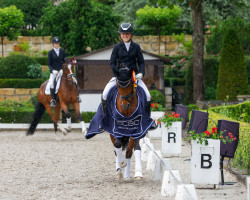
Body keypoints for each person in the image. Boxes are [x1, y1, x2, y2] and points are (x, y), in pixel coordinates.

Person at [102, 23, 151, 115]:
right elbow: (112, 62)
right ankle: (105, 118)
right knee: (104, 94)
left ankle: (147, 120)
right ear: (120, 34)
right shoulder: (117, 47)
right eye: (123, 34)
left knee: (148, 96)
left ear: (131, 34)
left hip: (134, 76)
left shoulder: (136, 47)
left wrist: (141, 73)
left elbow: (141, 62)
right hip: (119, 76)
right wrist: (116, 73)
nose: (125, 36)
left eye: (127, 33)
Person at [48, 36, 69, 107]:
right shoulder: (50, 53)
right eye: (55, 43)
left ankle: (75, 96)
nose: (57, 44)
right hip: (54, 72)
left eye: (58, 43)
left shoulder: (62, 51)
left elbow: (65, 59)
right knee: (51, 84)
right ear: (53, 44)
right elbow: (49, 64)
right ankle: (53, 99)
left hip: (61, 70)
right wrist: (52, 70)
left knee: (71, 79)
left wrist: (67, 59)